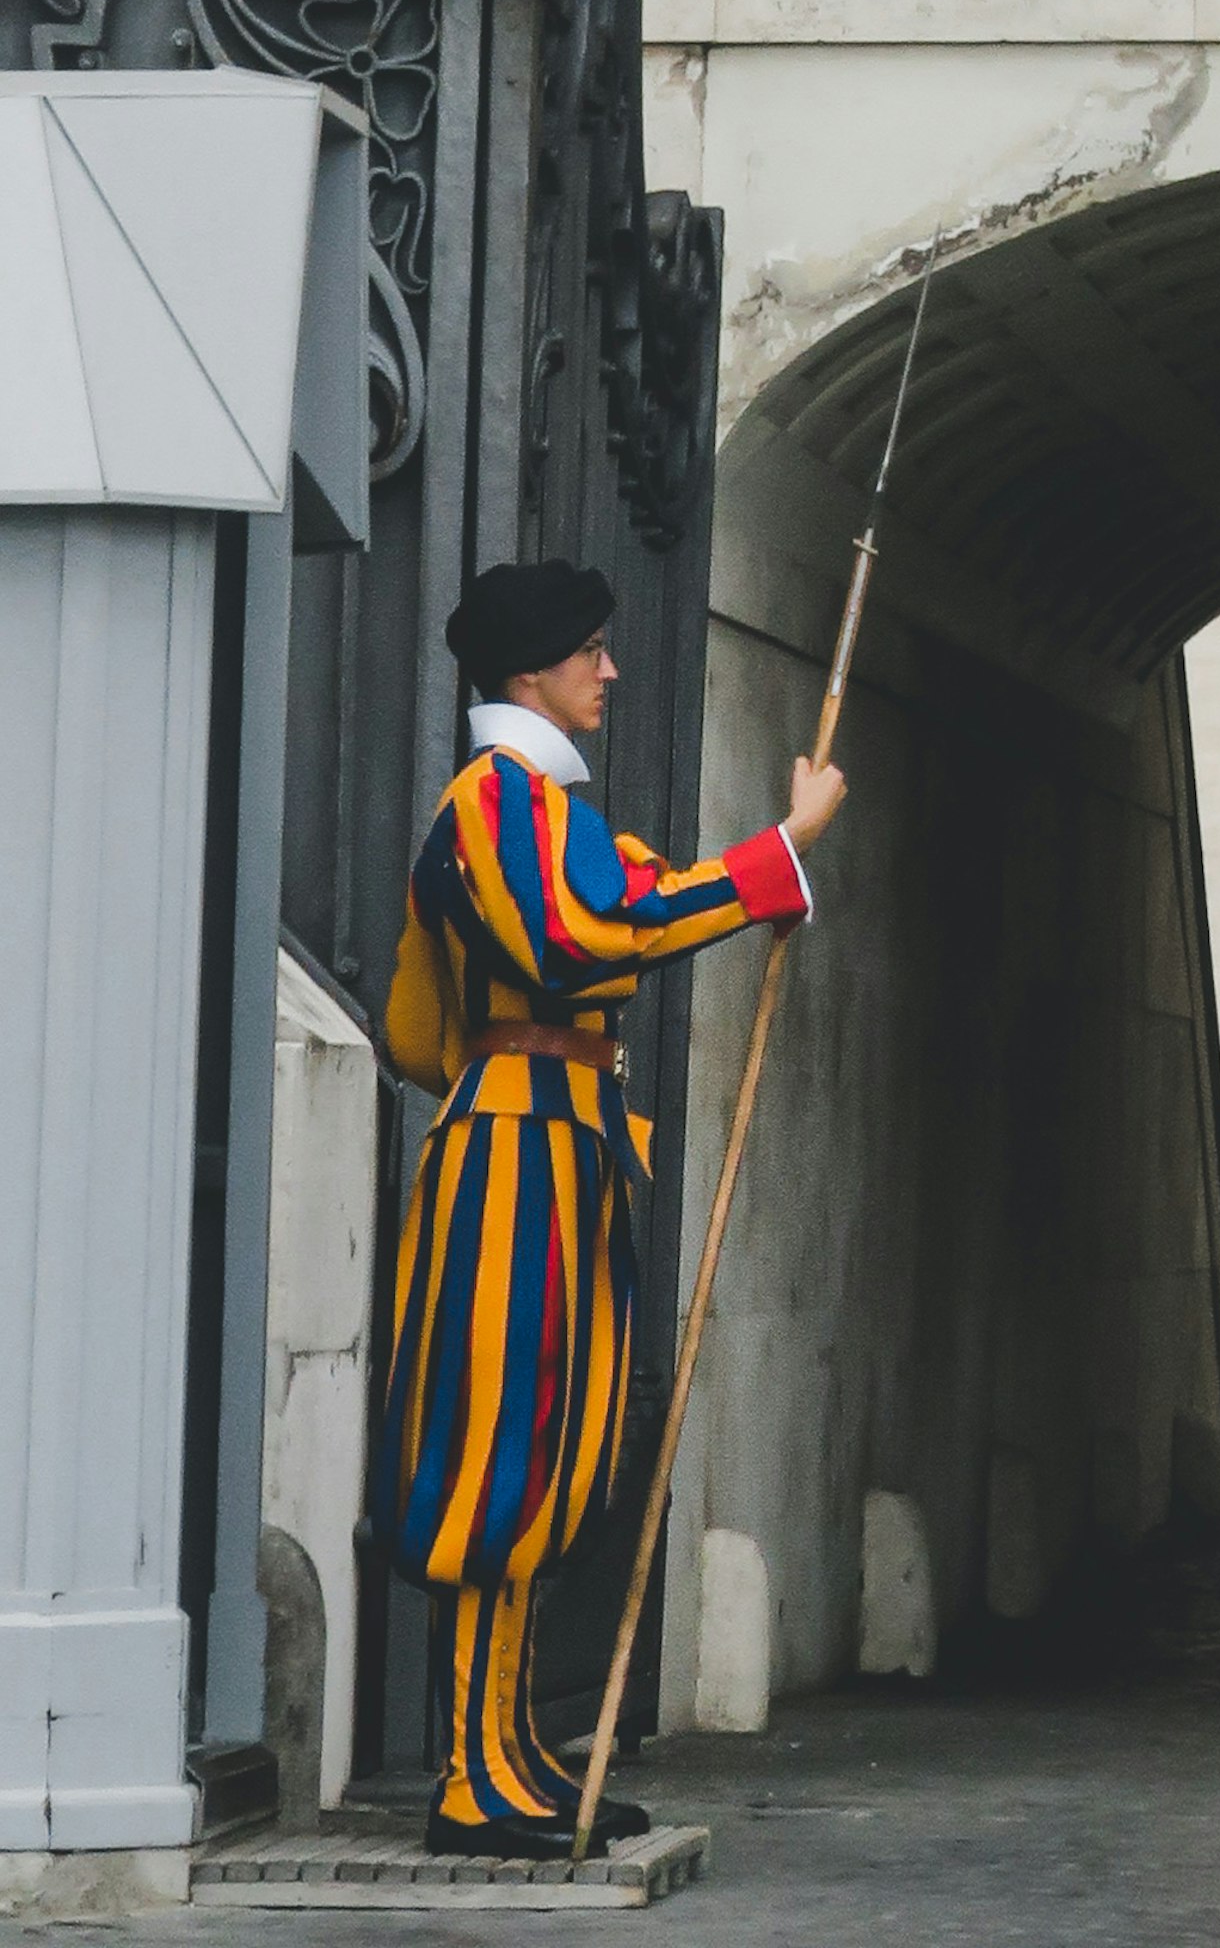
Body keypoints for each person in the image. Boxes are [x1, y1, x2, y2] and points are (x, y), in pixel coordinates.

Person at [377, 559, 846, 1858]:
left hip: (560, 1139)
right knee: (500, 1454)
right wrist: (776, 856)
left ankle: (511, 1745)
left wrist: (758, 874)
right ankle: (471, 1773)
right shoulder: (499, 801)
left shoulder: (546, 803)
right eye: (591, 650)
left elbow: (423, 1017)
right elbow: (587, 930)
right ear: (532, 670)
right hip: (519, 1148)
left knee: (560, 1445)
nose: (611, 671)